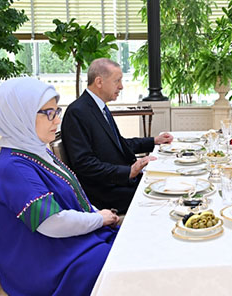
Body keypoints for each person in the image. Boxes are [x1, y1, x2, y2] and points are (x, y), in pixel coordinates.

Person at [0, 77, 119, 296]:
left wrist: (98, 215)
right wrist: (99, 219)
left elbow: (74, 198)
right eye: (48, 113)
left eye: (57, 111)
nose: (57, 120)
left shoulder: (36, 151)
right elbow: (52, 223)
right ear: (20, 114)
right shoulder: (13, 168)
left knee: (130, 248)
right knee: (123, 263)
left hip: (64, 247)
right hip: (43, 265)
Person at [61, 58, 173, 213]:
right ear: (99, 82)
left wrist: (154, 141)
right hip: (105, 192)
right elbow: (84, 164)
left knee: (170, 179)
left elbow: (120, 144)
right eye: (117, 81)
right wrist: (128, 172)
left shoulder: (99, 107)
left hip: (119, 183)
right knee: (166, 194)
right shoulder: (77, 112)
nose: (121, 86)